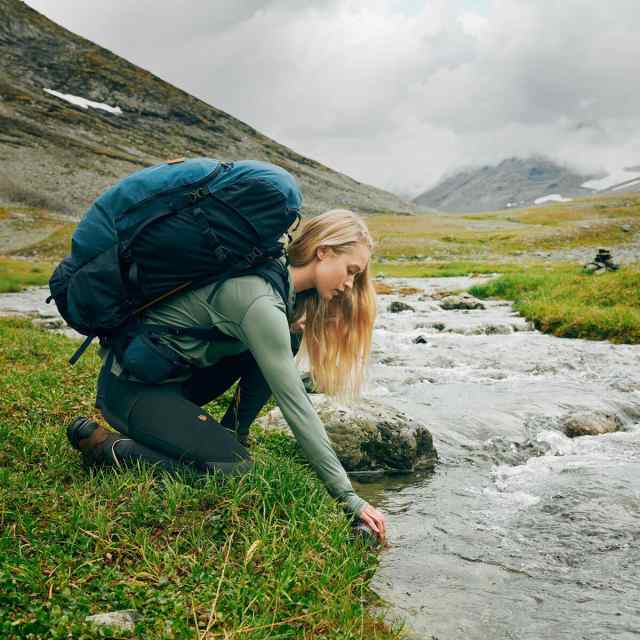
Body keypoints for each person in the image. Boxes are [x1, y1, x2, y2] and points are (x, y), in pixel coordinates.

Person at [67, 209, 386, 542]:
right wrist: (346, 495)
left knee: (285, 339)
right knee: (236, 471)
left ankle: (232, 435)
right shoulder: (260, 300)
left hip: (171, 379)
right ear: (323, 251)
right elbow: (295, 404)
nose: (349, 285)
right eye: (350, 271)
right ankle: (108, 447)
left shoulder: (278, 283)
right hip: (131, 391)